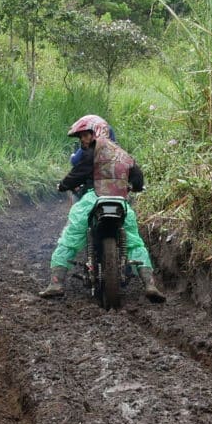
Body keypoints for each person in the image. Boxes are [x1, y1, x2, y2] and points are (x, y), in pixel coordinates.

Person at [39, 113, 165, 301]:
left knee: (70, 236)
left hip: (93, 198)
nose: (82, 139)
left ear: (96, 133)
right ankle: (149, 284)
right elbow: (137, 177)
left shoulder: (93, 152)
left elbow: (78, 174)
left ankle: (56, 282)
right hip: (120, 201)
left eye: (85, 135)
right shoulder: (123, 154)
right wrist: (135, 187)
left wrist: (63, 185)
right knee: (134, 241)